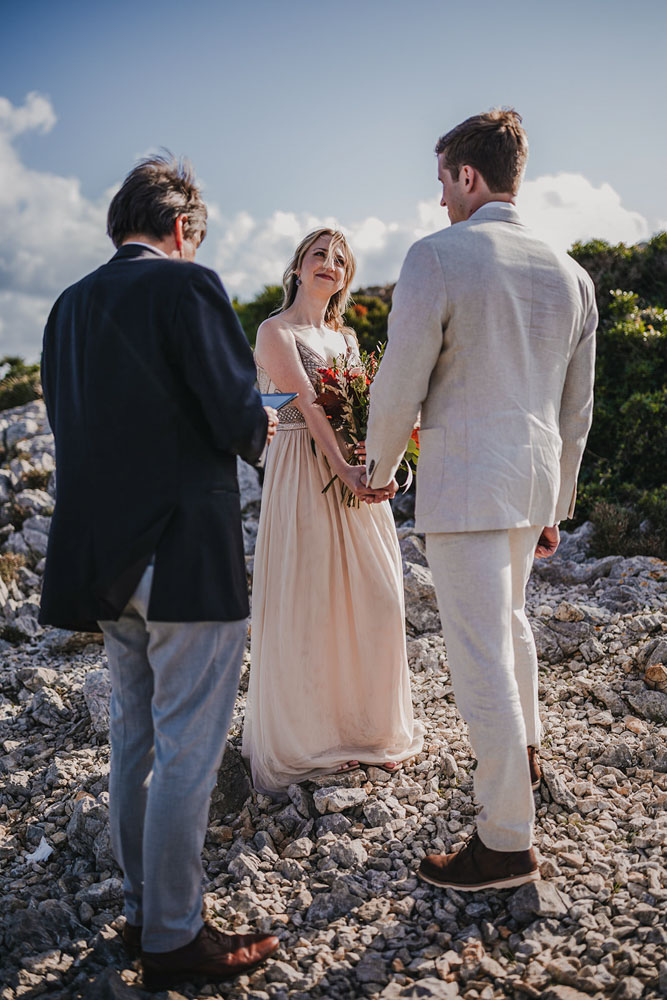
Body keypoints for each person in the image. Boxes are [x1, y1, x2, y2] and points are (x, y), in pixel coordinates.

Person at [39, 155, 280, 989]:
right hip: (182, 556)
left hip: (101, 564)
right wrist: (273, 428)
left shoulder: (66, 308)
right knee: (187, 753)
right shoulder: (188, 286)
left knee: (134, 741)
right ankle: (175, 939)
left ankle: (145, 913)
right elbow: (232, 412)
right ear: (183, 229)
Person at [365, 109, 597, 891]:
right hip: (530, 482)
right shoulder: (572, 274)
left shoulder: (438, 256)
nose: (438, 200)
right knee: (511, 627)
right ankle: (525, 758)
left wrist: (378, 466)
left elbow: (400, 380)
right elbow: (578, 411)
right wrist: (556, 505)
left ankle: (503, 840)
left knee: (480, 657)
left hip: (465, 481)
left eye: (442, 181)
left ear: (468, 176)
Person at [242, 227, 424, 796]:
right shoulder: (275, 331)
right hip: (303, 471)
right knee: (311, 597)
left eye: (339, 259)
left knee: (376, 592)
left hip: (352, 474)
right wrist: (344, 469)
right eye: (319, 254)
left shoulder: (345, 340)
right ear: (298, 266)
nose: (330, 264)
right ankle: (313, 741)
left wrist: (385, 463)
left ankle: (367, 730)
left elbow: (367, 417)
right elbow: (309, 411)